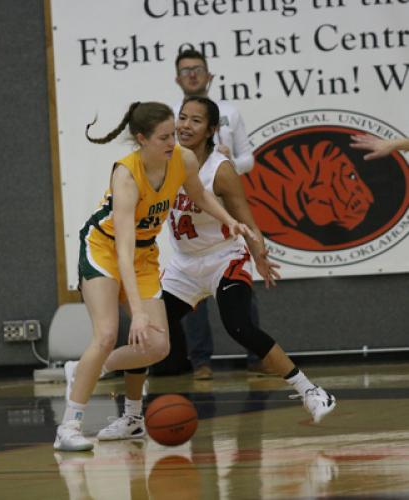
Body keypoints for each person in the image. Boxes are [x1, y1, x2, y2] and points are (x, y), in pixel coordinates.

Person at [92, 97, 336, 441]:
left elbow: (245, 215)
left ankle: (311, 391)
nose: (185, 125)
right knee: (146, 335)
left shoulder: (220, 169)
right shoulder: (166, 158)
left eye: (195, 120)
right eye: (182, 118)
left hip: (224, 257)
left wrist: (260, 254)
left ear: (211, 129)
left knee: (239, 326)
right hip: (184, 264)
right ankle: (133, 417)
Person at [54, 101, 252, 452]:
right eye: (164, 137)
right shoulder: (127, 176)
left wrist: (228, 219)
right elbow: (123, 253)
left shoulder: (183, 159)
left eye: (174, 134)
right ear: (142, 139)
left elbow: (200, 195)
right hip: (104, 250)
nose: (173, 142)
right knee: (107, 334)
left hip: (143, 256)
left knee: (158, 346)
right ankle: (69, 425)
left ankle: (93, 377)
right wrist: (139, 312)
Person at [171, 48, 261, 380]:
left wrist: (225, 163)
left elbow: (248, 159)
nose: (192, 75)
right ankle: (201, 361)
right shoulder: (172, 117)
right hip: (187, 211)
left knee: (237, 283)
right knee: (192, 290)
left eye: (197, 69)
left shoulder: (230, 113)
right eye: (185, 70)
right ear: (177, 79)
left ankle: (256, 355)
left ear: (209, 76)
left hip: (221, 202)